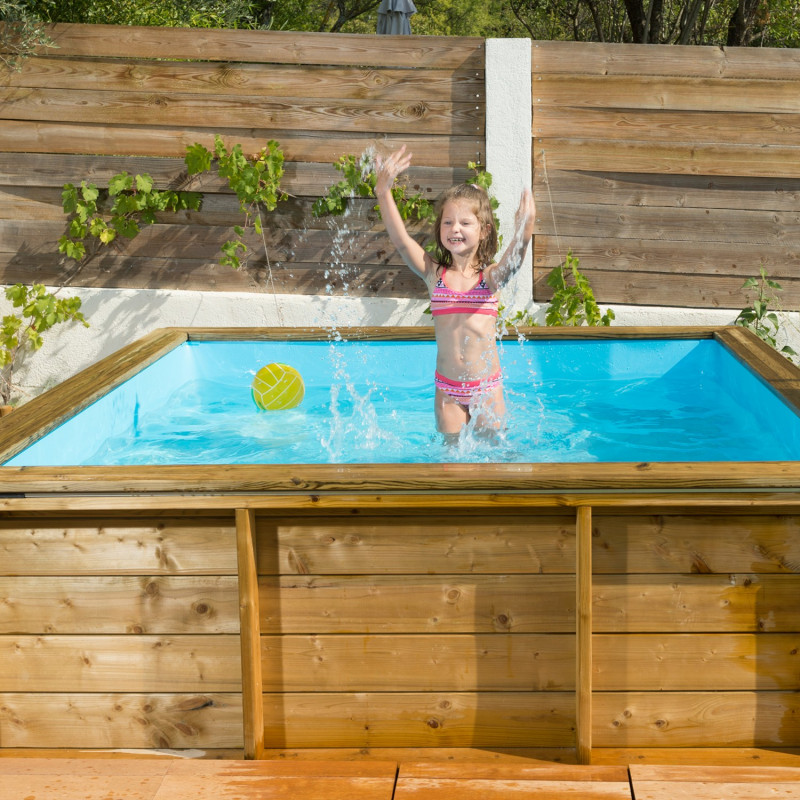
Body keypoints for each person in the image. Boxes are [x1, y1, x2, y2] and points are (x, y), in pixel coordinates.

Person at [374, 144, 536, 441]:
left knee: (494, 459)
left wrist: (524, 232)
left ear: (484, 230)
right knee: (451, 461)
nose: (454, 228)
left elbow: (514, 260)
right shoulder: (434, 274)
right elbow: (400, 240)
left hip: (486, 387)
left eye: (465, 222)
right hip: (447, 389)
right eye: (447, 222)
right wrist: (383, 192)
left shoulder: (489, 278)